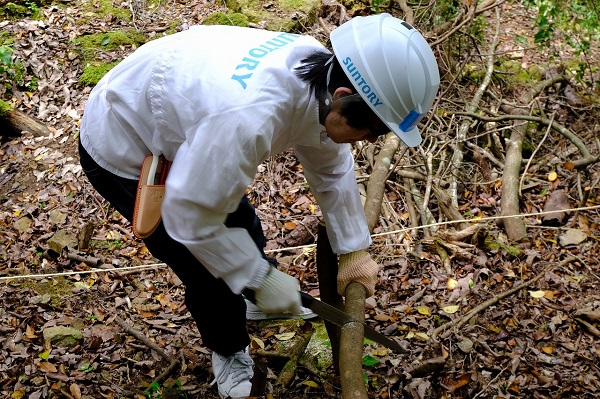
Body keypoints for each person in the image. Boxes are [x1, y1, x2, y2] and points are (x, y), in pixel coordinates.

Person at [78, 12, 439, 399]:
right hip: (125, 141)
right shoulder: (249, 114)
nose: (368, 139)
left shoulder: (319, 74)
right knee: (205, 269)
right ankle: (229, 348)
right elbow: (190, 215)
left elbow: (330, 168)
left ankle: (253, 298)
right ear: (343, 98)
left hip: (189, 124)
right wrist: (256, 276)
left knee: (244, 226)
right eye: (371, 129)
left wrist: (352, 249)